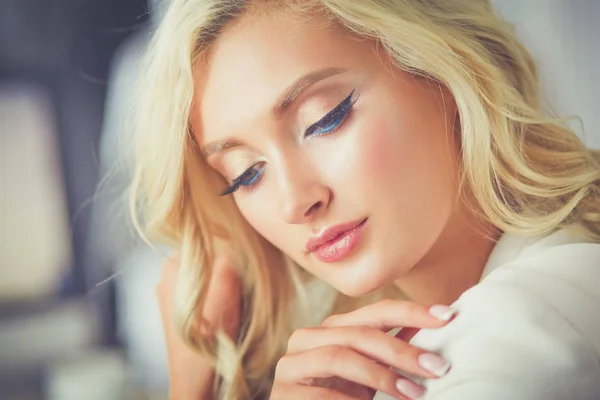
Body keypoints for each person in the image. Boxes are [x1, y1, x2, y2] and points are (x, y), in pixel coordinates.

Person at [129, 0, 600, 399]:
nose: (295, 202)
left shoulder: (529, 325)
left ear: (444, 69)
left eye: (326, 119)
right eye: (247, 174)